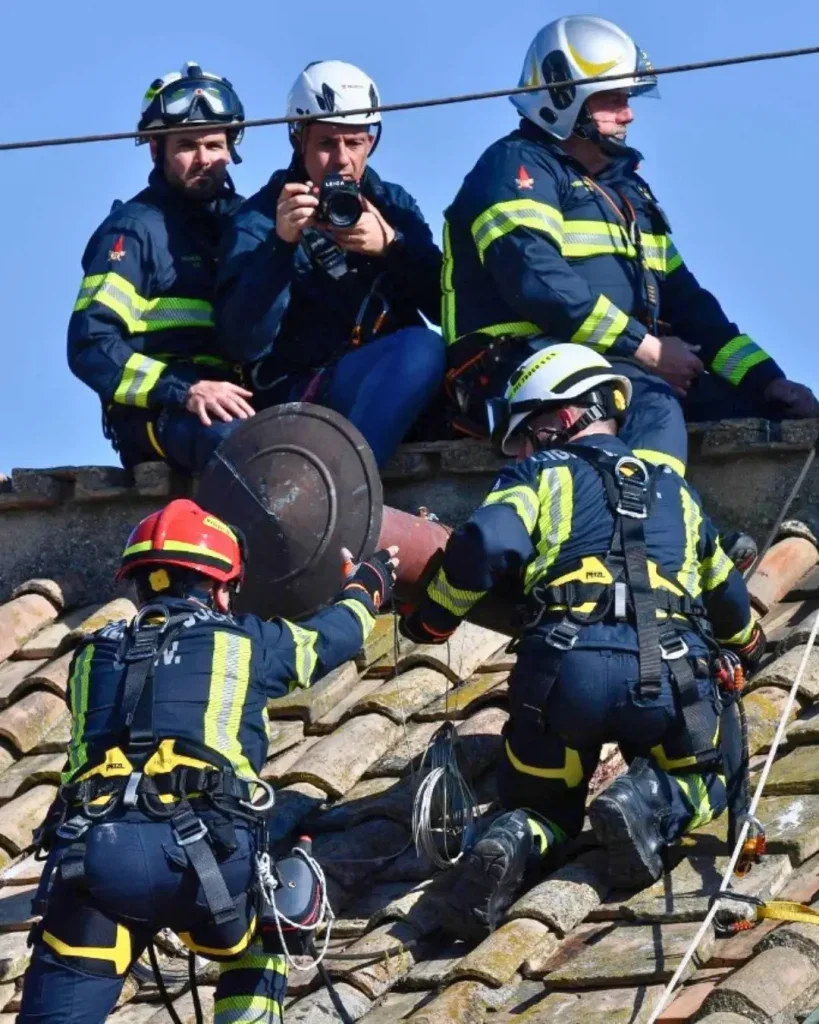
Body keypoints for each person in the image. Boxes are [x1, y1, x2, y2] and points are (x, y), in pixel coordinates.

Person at [399, 344, 764, 940]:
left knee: (543, 803)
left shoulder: (538, 475)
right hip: (669, 677)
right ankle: (646, 802)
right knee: (711, 775)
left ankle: (514, 838)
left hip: (562, 677)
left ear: (564, 418)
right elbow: (725, 593)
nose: (519, 449)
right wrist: (748, 643)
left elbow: (483, 547)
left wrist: (432, 622)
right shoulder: (675, 489)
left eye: (525, 433)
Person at [18, 498, 399, 1023]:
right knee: (277, 914)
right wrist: (367, 585)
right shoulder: (242, 639)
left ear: (139, 582)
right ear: (220, 588)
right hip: (206, 867)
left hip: (93, 860)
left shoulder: (89, 655)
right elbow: (331, 639)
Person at [441, 16, 818, 476]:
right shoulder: (514, 169)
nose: (629, 113)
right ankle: (649, 535)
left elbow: (690, 304)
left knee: (763, 416)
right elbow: (537, 280)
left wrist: (768, 383)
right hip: (514, 368)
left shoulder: (629, 194)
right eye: (614, 99)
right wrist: (649, 351)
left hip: (620, 362)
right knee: (652, 404)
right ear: (565, 98)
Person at [216, 60, 445, 468]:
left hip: (388, 382)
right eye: (326, 143)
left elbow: (444, 307)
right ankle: (347, 488)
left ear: (370, 143)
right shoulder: (260, 218)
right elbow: (242, 341)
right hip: (304, 393)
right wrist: (280, 247)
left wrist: (392, 246)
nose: (341, 159)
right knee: (421, 347)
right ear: (297, 139)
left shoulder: (392, 206)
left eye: (354, 142)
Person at [68, 63, 253, 475]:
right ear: (156, 148)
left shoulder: (249, 225)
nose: (203, 159)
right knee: (243, 447)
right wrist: (183, 390)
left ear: (231, 148)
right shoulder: (132, 232)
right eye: (186, 145)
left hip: (242, 402)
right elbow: (90, 344)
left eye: (214, 144)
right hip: (163, 413)